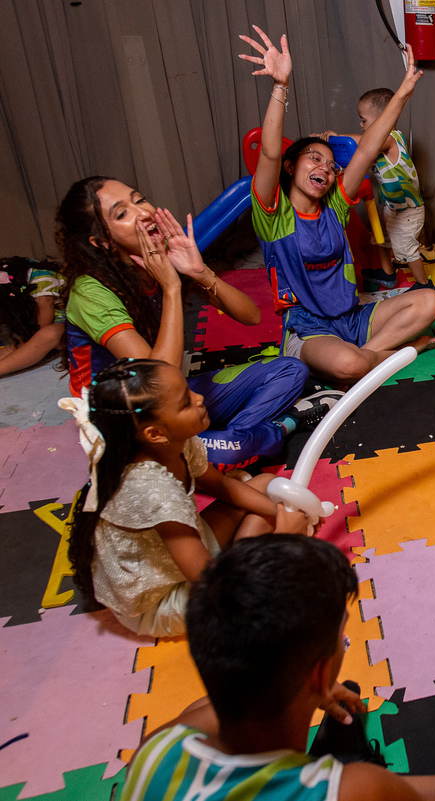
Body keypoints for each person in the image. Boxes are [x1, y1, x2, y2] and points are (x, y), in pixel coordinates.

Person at [122, 534, 435, 801]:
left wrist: (308, 691)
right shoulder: (357, 788)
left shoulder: (156, 748)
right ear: (318, 673)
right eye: (341, 638)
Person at [56, 177, 322, 470]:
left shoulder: (161, 259)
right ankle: (269, 433)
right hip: (124, 417)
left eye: (140, 199)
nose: (144, 212)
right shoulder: (90, 291)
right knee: (219, 446)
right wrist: (171, 286)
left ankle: (227, 444)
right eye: (122, 213)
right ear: (102, 241)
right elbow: (156, 381)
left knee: (290, 370)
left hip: (170, 394)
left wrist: (200, 271)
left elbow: (251, 316)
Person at [240, 30, 435, 383]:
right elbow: (269, 152)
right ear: (290, 166)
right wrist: (280, 85)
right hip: (309, 328)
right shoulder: (273, 215)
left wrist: (403, 93)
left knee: (430, 301)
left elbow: (367, 149)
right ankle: (394, 354)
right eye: (314, 158)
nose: (325, 167)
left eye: (331, 165)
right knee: (347, 365)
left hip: (352, 318)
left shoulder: (334, 207)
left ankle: (373, 356)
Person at [60, 358, 309, 638]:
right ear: (155, 433)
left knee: (263, 486)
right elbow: (210, 583)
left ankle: (244, 554)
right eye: (186, 402)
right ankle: (245, 561)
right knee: (273, 583)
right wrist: (285, 535)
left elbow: (221, 486)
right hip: (158, 604)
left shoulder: (178, 442)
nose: (199, 398)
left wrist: (280, 512)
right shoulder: (152, 489)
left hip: (171, 560)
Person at [322, 84, 435, 294]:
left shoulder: (391, 138)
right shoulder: (377, 145)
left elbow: (363, 143)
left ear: (383, 119)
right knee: (381, 238)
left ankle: (423, 284)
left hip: (408, 210)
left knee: (406, 248)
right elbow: (357, 158)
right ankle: (387, 273)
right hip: (391, 207)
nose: (361, 124)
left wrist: (337, 138)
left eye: (364, 120)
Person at [0, 256, 66, 377]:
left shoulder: (42, 276)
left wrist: (26, 346)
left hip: (70, 325)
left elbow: (44, 322)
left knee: (50, 333)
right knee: (12, 348)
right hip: (37, 330)